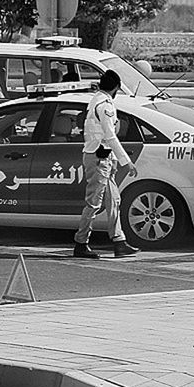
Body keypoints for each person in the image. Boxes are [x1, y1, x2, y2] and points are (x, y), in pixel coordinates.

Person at [74, 69, 139, 259]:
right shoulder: (106, 105)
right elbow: (110, 136)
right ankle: (81, 243)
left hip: (103, 158)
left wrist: (115, 160)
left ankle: (119, 242)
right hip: (99, 159)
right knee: (94, 203)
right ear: (116, 87)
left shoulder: (95, 100)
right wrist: (127, 162)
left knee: (114, 201)